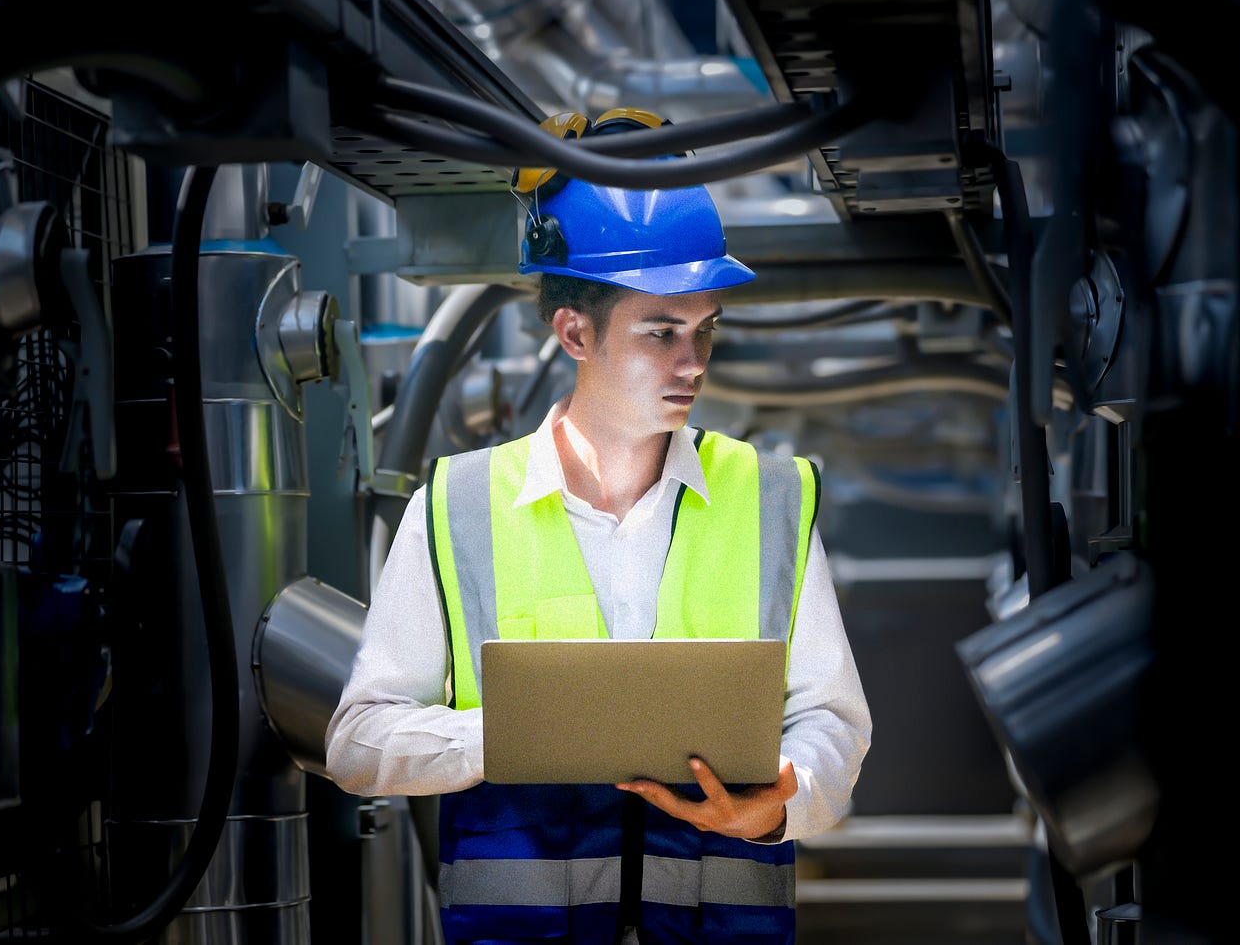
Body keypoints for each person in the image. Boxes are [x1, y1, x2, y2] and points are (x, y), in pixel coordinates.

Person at [326, 108, 872, 944]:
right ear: (574, 331)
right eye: (660, 332)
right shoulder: (458, 504)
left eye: (703, 331)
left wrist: (784, 794)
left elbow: (836, 723)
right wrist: (516, 734)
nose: (692, 362)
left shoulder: (770, 498)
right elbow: (359, 741)